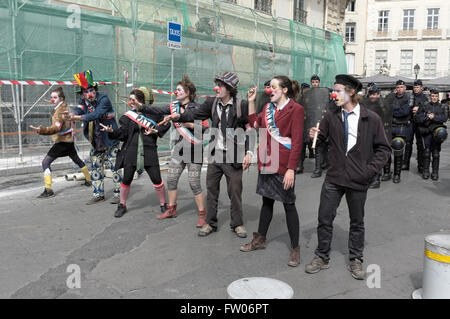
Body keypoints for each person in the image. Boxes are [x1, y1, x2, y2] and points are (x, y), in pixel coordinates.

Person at [305, 74, 390, 280]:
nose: (334, 94)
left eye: (338, 90)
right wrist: (314, 133)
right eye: (333, 90)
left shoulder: (371, 118)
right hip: (334, 177)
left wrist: (369, 171)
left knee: (357, 221)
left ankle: (355, 258)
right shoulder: (331, 115)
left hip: (358, 179)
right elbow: (322, 137)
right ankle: (322, 256)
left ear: (351, 92)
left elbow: (383, 149)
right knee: (324, 218)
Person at [159, 71, 252, 238]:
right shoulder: (211, 103)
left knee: (235, 192)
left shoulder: (241, 105)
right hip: (215, 154)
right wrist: (178, 116)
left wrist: (249, 152)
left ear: (229, 88)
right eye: (217, 84)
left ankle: (237, 224)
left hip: (234, 156)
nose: (216, 88)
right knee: (211, 190)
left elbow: (249, 128)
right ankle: (210, 223)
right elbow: (194, 115)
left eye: (220, 85)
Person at [241, 75, 304, 267]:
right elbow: (254, 124)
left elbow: (297, 142)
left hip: (284, 164)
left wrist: (291, 169)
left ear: (284, 90)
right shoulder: (268, 108)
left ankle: (295, 248)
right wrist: (251, 102)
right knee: (267, 201)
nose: (270, 90)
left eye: (274, 87)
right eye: (269, 87)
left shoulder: (296, 109)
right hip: (267, 161)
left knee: (288, 204)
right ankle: (260, 239)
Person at [140, 76, 209, 227]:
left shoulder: (198, 108)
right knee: (171, 179)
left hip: (194, 149)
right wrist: (141, 106)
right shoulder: (173, 106)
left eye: (179, 90)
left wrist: (190, 125)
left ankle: (202, 215)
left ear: (188, 92)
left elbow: (206, 129)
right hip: (179, 148)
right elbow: (157, 109)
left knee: (194, 183)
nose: (175, 92)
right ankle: (171, 209)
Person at [100, 89, 170, 217]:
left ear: (140, 101)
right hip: (131, 150)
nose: (130, 102)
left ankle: (163, 204)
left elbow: (167, 123)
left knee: (157, 179)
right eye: (130, 99)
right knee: (126, 179)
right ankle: (122, 205)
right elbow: (122, 134)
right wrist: (112, 132)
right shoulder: (128, 116)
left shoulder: (153, 114)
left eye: (133, 100)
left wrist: (157, 130)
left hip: (149, 149)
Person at [67, 69, 122, 204]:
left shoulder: (104, 99)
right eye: (85, 92)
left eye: (91, 90)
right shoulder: (83, 101)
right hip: (96, 140)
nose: (89, 94)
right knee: (95, 167)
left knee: (115, 167)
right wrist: (71, 113)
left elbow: (95, 114)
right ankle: (98, 194)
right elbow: (78, 108)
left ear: (95, 89)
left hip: (110, 139)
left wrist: (77, 117)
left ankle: (119, 194)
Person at [30, 87, 91, 198]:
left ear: (61, 98)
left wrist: (41, 130)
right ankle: (89, 179)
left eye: (55, 97)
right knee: (77, 159)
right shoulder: (63, 107)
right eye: (51, 97)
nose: (52, 99)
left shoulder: (60, 112)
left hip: (62, 142)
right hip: (68, 140)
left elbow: (56, 128)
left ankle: (48, 190)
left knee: (45, 163)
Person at [415, 89, 448, 180]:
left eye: (436, 96)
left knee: (436, 153)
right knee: (426, 152)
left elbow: (444, 118)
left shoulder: (442, 106)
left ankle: (435, 172)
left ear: (438, 97)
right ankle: (426, 171)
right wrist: (426, 117)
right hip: (427, 131)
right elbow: (418, 117)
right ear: (430, 97)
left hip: (437, 132)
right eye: (433, 96)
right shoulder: (424, 105)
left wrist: (434, 117)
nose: (434, 98)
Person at [384, 80, 412, 183]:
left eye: (401, 87)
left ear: (405, 88)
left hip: (401, 126)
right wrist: (396, 108)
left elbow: (404, 112)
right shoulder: (391, 96)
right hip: (390, 126)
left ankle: (397, 174)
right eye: (398, 87)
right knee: (386, 149)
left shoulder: (408, 98)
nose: (399, 89)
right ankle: (387, 172)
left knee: (398, 148)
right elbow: (384, 107)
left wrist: (392, 109)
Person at [360, 85, 384, 188]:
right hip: (367, 131)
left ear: (378, 94)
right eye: (371, 94)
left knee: (377, 155)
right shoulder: (365, 103)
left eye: (375, 94)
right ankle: (368, 176)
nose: (373, 96)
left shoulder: (383, 103)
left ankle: (376, 178)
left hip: (379, 132)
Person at [405, 79, 429, 173]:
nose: (415, 89)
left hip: (420, 123)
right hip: (411, 122)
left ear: (421, 88)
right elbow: (407, 107)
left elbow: (428, 107)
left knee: (420, 145)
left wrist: (419, 108)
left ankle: (421, 166)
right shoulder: (410, 96)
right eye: (414, 87)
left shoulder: (425, 97)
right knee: (408, 143)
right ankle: (405, 164)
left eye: (417, 87)